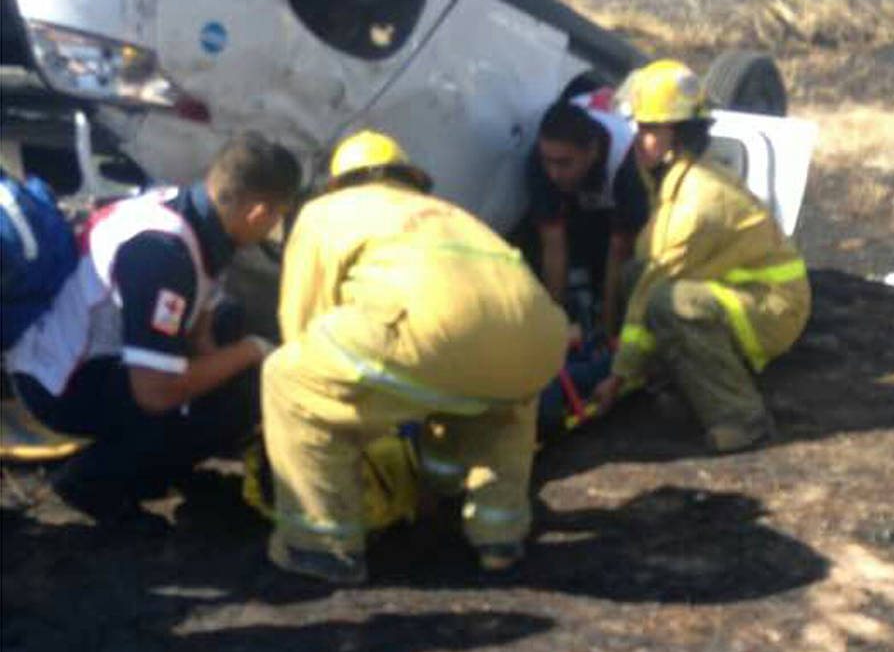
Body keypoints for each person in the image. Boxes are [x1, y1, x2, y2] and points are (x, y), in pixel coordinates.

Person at [262, 130, 568, 584]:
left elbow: (304, 316)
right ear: (410, 177)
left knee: (287, 377)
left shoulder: (325, 211)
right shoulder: (451, 213)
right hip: (540, 341)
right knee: (500, 404)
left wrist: (341, 412)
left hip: (427, 340)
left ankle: (323, 548)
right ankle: (496, 534)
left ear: (338, 182)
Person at [5, 133, 301, 524]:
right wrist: (253, 352)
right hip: (57, 383)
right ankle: (93, 480)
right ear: (259, 213)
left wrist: (228, 369)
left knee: (229, 363)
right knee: (231, 404)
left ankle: (165, 460)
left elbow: (202, 332)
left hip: (85, 351)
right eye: (278, 217)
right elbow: (155, 393)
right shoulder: (163, 254)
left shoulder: (201, 216)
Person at [590, 61, 811, 453]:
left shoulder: (698, 201)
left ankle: (742, 421)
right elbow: (646, 270)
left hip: (774, 304)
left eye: (651, 130)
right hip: (744, 290)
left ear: (680, 134)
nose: (639, 140)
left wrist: (619, 375)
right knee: (637, 275)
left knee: (672, 304)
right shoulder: (674, 175)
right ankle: (674, 382)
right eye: (638, 128)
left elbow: (653, 288)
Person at [527, 87, 649, 338]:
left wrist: (607, 331)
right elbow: (553, 247)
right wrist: (553, 330)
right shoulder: (539, 161)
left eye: (563, 163)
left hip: (622, 193)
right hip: (588, 193)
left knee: (626, 271)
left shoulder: (629, 164)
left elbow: (620, 251)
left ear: (592, 151)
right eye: (548, 162)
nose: (554, 174)